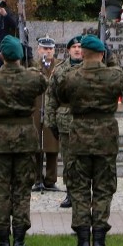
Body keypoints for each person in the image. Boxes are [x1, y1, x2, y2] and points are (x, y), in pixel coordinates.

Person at [56, 34, 123, 246]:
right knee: (103, 187)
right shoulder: (113, 76)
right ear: (103, 54)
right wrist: (111, 60)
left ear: (83, 53)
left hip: (79, 137)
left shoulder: (71, 77)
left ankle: (82, 238)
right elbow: (121, 83)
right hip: (106, 137)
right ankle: (99, 237)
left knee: (78, 188)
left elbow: (62, 97)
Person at [0, 35, 48, 246]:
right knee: (22, 189)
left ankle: (2, 241)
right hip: (25, 138)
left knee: (0, 190)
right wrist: (31, 61)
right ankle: (19, 239)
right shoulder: (32, 77)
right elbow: (43, 82)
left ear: (1, 56)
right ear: (20, 55)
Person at [46, 35, 84, 209]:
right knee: (69, 161)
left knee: (84, 160)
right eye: (74, 46)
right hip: (66, 122)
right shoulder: (60, 70)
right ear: (68, 50)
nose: (77, 49)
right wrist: (51, 122)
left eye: (80, 46)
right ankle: (70, 194)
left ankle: (84, 194)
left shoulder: (92, 68)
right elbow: (51, 98)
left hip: (85, 122)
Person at [31, 36, 60, 192]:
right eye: (44, 48)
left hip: (52, 109)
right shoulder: (33, 66)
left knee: (52, 145)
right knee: (36, 144)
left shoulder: (59, 66)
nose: (47, 51)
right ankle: (36, 178)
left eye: (50, 49)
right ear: (38, 50)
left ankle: (50, 180)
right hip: (36, 106)